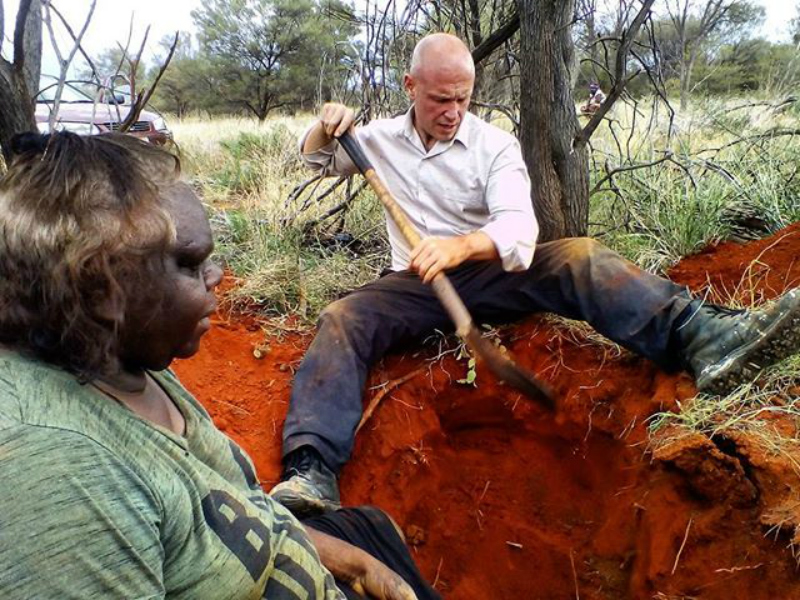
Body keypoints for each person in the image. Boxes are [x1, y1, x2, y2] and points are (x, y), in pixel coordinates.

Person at [270, 32, 800, 518]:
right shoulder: (378, 141)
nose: (453, 111)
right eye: (439, 100)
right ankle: (312, 470)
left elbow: (519, 231)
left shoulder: (493, 147)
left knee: (580, 256)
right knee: (342, 318)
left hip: (492, 273)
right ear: (410, 86)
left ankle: (705, 337)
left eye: (463, 98)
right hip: (412, 285)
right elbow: (315, 160)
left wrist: (458, 248)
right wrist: (327, 124)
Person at [0, 131, 439, 600]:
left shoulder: (122, 358)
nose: (218, 276)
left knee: (374, 528)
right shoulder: (62, 483)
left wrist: (348, 561)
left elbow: (241, 508)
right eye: (189, 264)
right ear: (100, 291)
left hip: (290, 560)